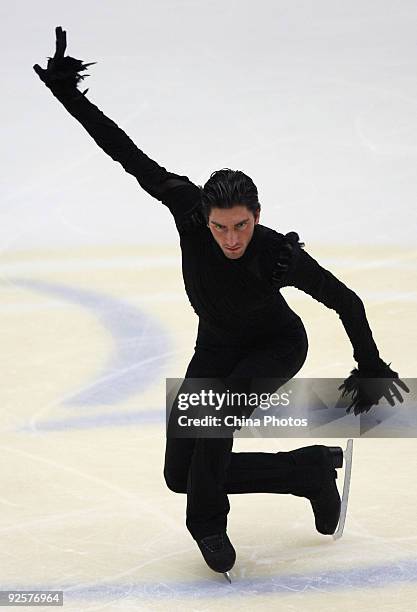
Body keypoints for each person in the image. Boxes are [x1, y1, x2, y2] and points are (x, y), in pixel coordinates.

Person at [33, 26, 408, 577]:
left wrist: (370, 365)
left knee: (215, 415)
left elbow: (346, 300)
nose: (231, 239)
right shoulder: (186, 210)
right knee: (181, 473)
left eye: (241, 226)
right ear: (203, 219)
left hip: (276, 346)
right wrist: (69, 94)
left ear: (257, 216)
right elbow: (126, 154)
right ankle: (306, 473)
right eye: (220, 228)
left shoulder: (276, 255)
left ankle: (207, 524)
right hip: (216, 345)